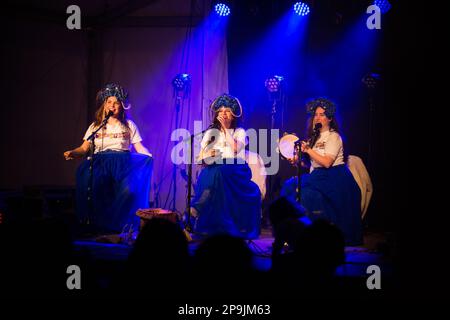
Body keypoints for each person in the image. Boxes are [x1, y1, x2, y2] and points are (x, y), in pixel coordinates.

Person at [64, 83, 153, 234]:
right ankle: (98, 227)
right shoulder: (95, 126)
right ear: (104, 105)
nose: (112, 106)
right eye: (109, 102)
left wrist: (148, 156)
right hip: (100, 163)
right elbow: (84, 148)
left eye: (116, 103)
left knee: (128, 191)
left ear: (121, 106)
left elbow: (139, 147)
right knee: (95, 188)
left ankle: (121, 226)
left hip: (123, 164)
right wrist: (73, 152)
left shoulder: (129, 125)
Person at [281, 97, 362, 246]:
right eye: (316, 114)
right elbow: (312, 163)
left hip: (333, 177)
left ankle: (311, 235)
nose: (317, 117)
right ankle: (290, 232)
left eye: (322, 114)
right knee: (289, 185)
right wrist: (298, 160)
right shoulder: (314, 138)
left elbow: (326, 162)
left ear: (330, 118)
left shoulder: (334, 136)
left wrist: (308, 150)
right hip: (318, 176)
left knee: (305, 194)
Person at [190, 94, 261, 239]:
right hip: (217, 167)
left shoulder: (239, 132)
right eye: (220, 111)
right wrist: (209, 154)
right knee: (210, 173)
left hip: (236, 168)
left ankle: (197, 207)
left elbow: (235, 149)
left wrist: (224, 128)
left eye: (227, 110)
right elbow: (201, 157)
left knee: (219, 172)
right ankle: (201, 212)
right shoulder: (211, 133)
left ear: (234, 115)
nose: (223, 113)